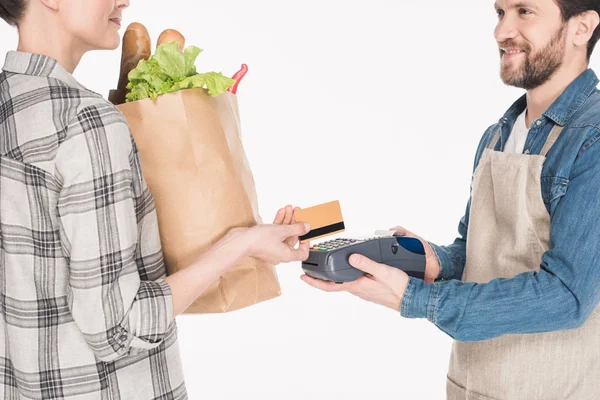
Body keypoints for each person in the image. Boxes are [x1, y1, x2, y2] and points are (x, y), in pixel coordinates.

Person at [0, 0, 311, 398]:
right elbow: (116, 328)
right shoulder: (88, 123)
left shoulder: (12, 100)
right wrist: (242, 243)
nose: (123, 1)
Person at [302, 0, 600, 398]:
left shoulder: (591, 140)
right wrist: (434, 263)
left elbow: (568, 295)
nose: (501, 31)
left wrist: (417, 299)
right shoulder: (497, 135)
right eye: (500, 13)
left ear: (581, 28)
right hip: (472, 385)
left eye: (524, 11)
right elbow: (478, 254)